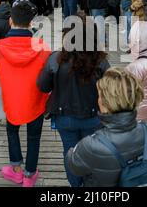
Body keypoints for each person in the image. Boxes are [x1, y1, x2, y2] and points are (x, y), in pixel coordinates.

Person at [37, 19, 110, 187]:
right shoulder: (101, 61)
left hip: (65, 117)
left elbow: (42, 85)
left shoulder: (55, 59)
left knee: (70, 153)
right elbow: (110, 90)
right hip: (94, 117)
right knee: (93, 154)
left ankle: (75, 185)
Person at [0, 2, 51, 187]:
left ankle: (16, 170)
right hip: (36, 101)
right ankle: (30, 175)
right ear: (31, 23)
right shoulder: (42, 47)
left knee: (12, 131)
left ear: (10, 21)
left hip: (12, 101)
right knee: (34, 136)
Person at [65, 67, 147, 187]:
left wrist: (73, 150)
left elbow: (74, 166)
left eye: (100, 96)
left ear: (104, 102)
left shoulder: (91, 144)